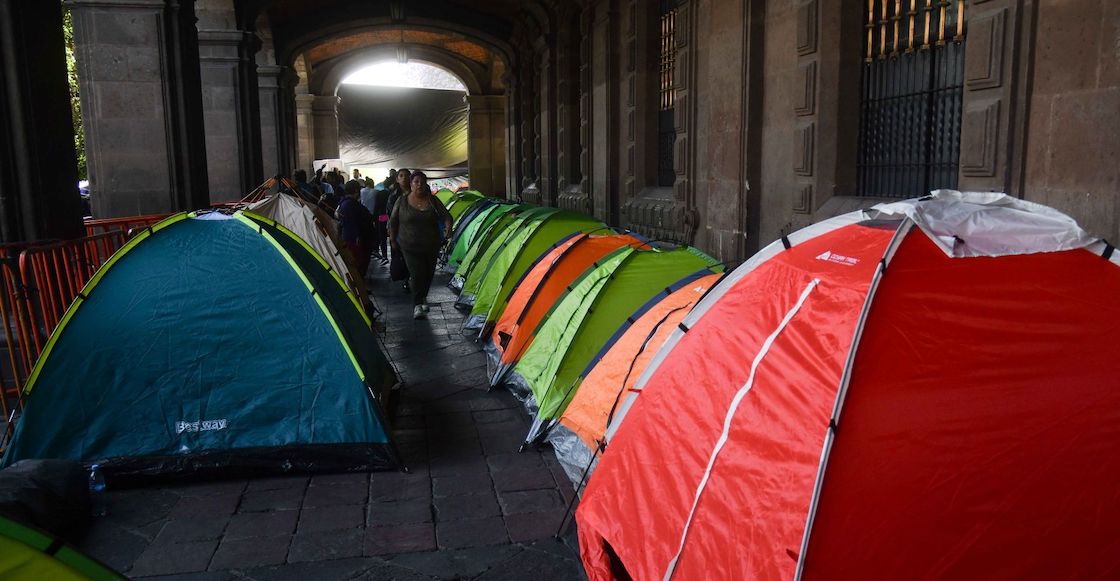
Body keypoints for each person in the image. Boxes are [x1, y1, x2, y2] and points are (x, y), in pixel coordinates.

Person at [389, 171, 452, 319]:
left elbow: (446, 216)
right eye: (416, 182)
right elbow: (393, 221)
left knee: (428, 274)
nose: (419, 184)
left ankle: (423, 297)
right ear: (411, 185)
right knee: (417, 273)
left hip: (431, 245)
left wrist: (448, 228)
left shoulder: (433, 201)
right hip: (409, 245)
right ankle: (417, 304)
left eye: (422, 182)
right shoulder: (401, 201)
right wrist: (392, 240)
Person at [336, 180, 376, 277]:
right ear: (356, 190)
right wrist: (357, 236)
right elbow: (352, 222)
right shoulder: (350, 204)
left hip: (352, 238)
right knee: (357, 264)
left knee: (356, 264)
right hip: (355, 240)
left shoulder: (345, 203)